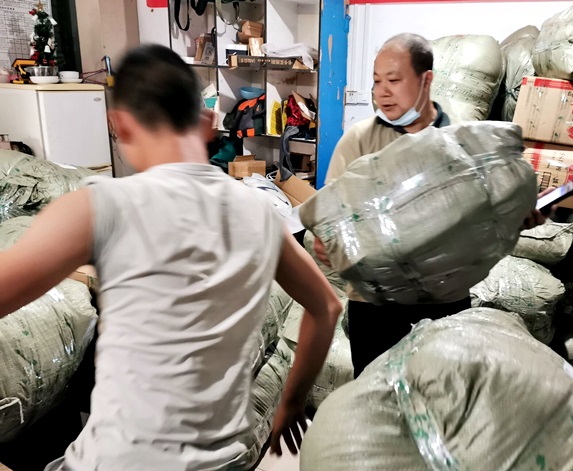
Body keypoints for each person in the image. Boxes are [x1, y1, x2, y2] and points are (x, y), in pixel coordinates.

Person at [0, 44, 342, 470]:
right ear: (207, 123)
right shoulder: (258, 212)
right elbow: (327, 308)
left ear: (120, 125)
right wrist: (291, 403)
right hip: (226, 460)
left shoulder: (101, 205)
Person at [315, 33, 552, 378]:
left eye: (394, 80)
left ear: (426, 81)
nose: (382, 92)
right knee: (376, 392)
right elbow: (327, 231)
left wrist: (518, 217)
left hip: (444, 301)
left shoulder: (467, 143)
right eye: (377, 81)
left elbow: (485, 220)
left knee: (443, 389)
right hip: (377, 306)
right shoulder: (359, 141)